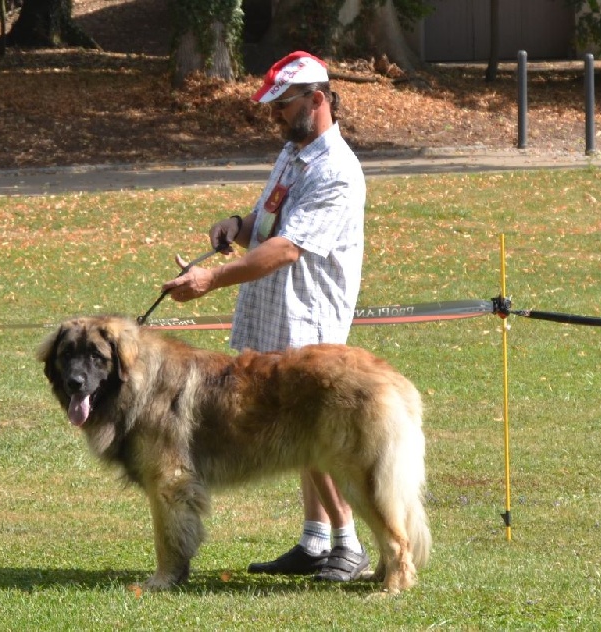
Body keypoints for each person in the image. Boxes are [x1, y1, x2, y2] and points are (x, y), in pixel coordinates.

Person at [160, 51, 368, 583]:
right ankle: (316, 541)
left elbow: (288, 248)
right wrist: (237, 224)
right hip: (276, 309)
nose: (275, 115)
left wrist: (209, 280)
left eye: (284, 104)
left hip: (309, 316)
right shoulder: (292, 152)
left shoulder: (336, 170)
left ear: (318, 100)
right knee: (301, 426)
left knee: (309, 429)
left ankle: (349, 544)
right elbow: (270, 223)